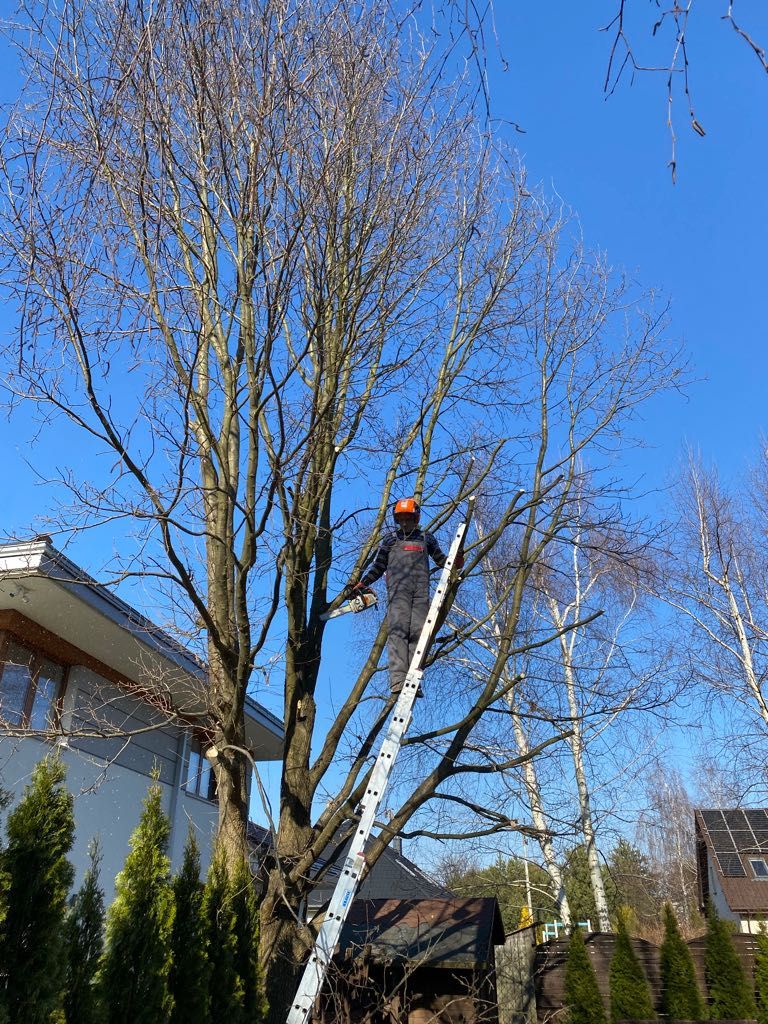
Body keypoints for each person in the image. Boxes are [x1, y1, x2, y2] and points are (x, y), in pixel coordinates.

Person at [346, 498, 459, 695]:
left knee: (420, 634)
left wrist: (455, 561)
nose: (405, 523)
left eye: (408, 518)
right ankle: (398, 681)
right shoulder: (390, 540)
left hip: (420, 593)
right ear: (397, 520)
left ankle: (414, 680)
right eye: (401, 519)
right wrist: (363, 583)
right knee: (398, 633)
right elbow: (378, 565)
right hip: (399, 593)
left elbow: (442, 560)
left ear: (416, 518)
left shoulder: (427, 539)